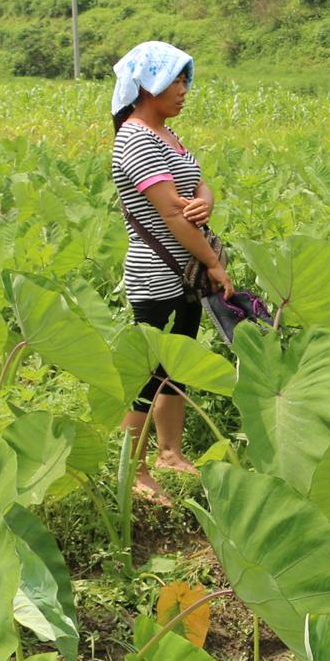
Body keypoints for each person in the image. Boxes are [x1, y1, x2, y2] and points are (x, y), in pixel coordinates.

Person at [109, 40, 232, 505]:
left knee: (174, 368)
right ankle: (134, 469)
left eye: (185, 80)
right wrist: (214, 262)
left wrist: (208, 200)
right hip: (157, 273)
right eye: (176, 80)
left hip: (184, 269)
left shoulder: (166, 135)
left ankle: (169, 452)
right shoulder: (138, 138)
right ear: (147, 84)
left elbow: (195, 185)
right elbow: (173, 217)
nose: (184, 90)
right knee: (148, 373)